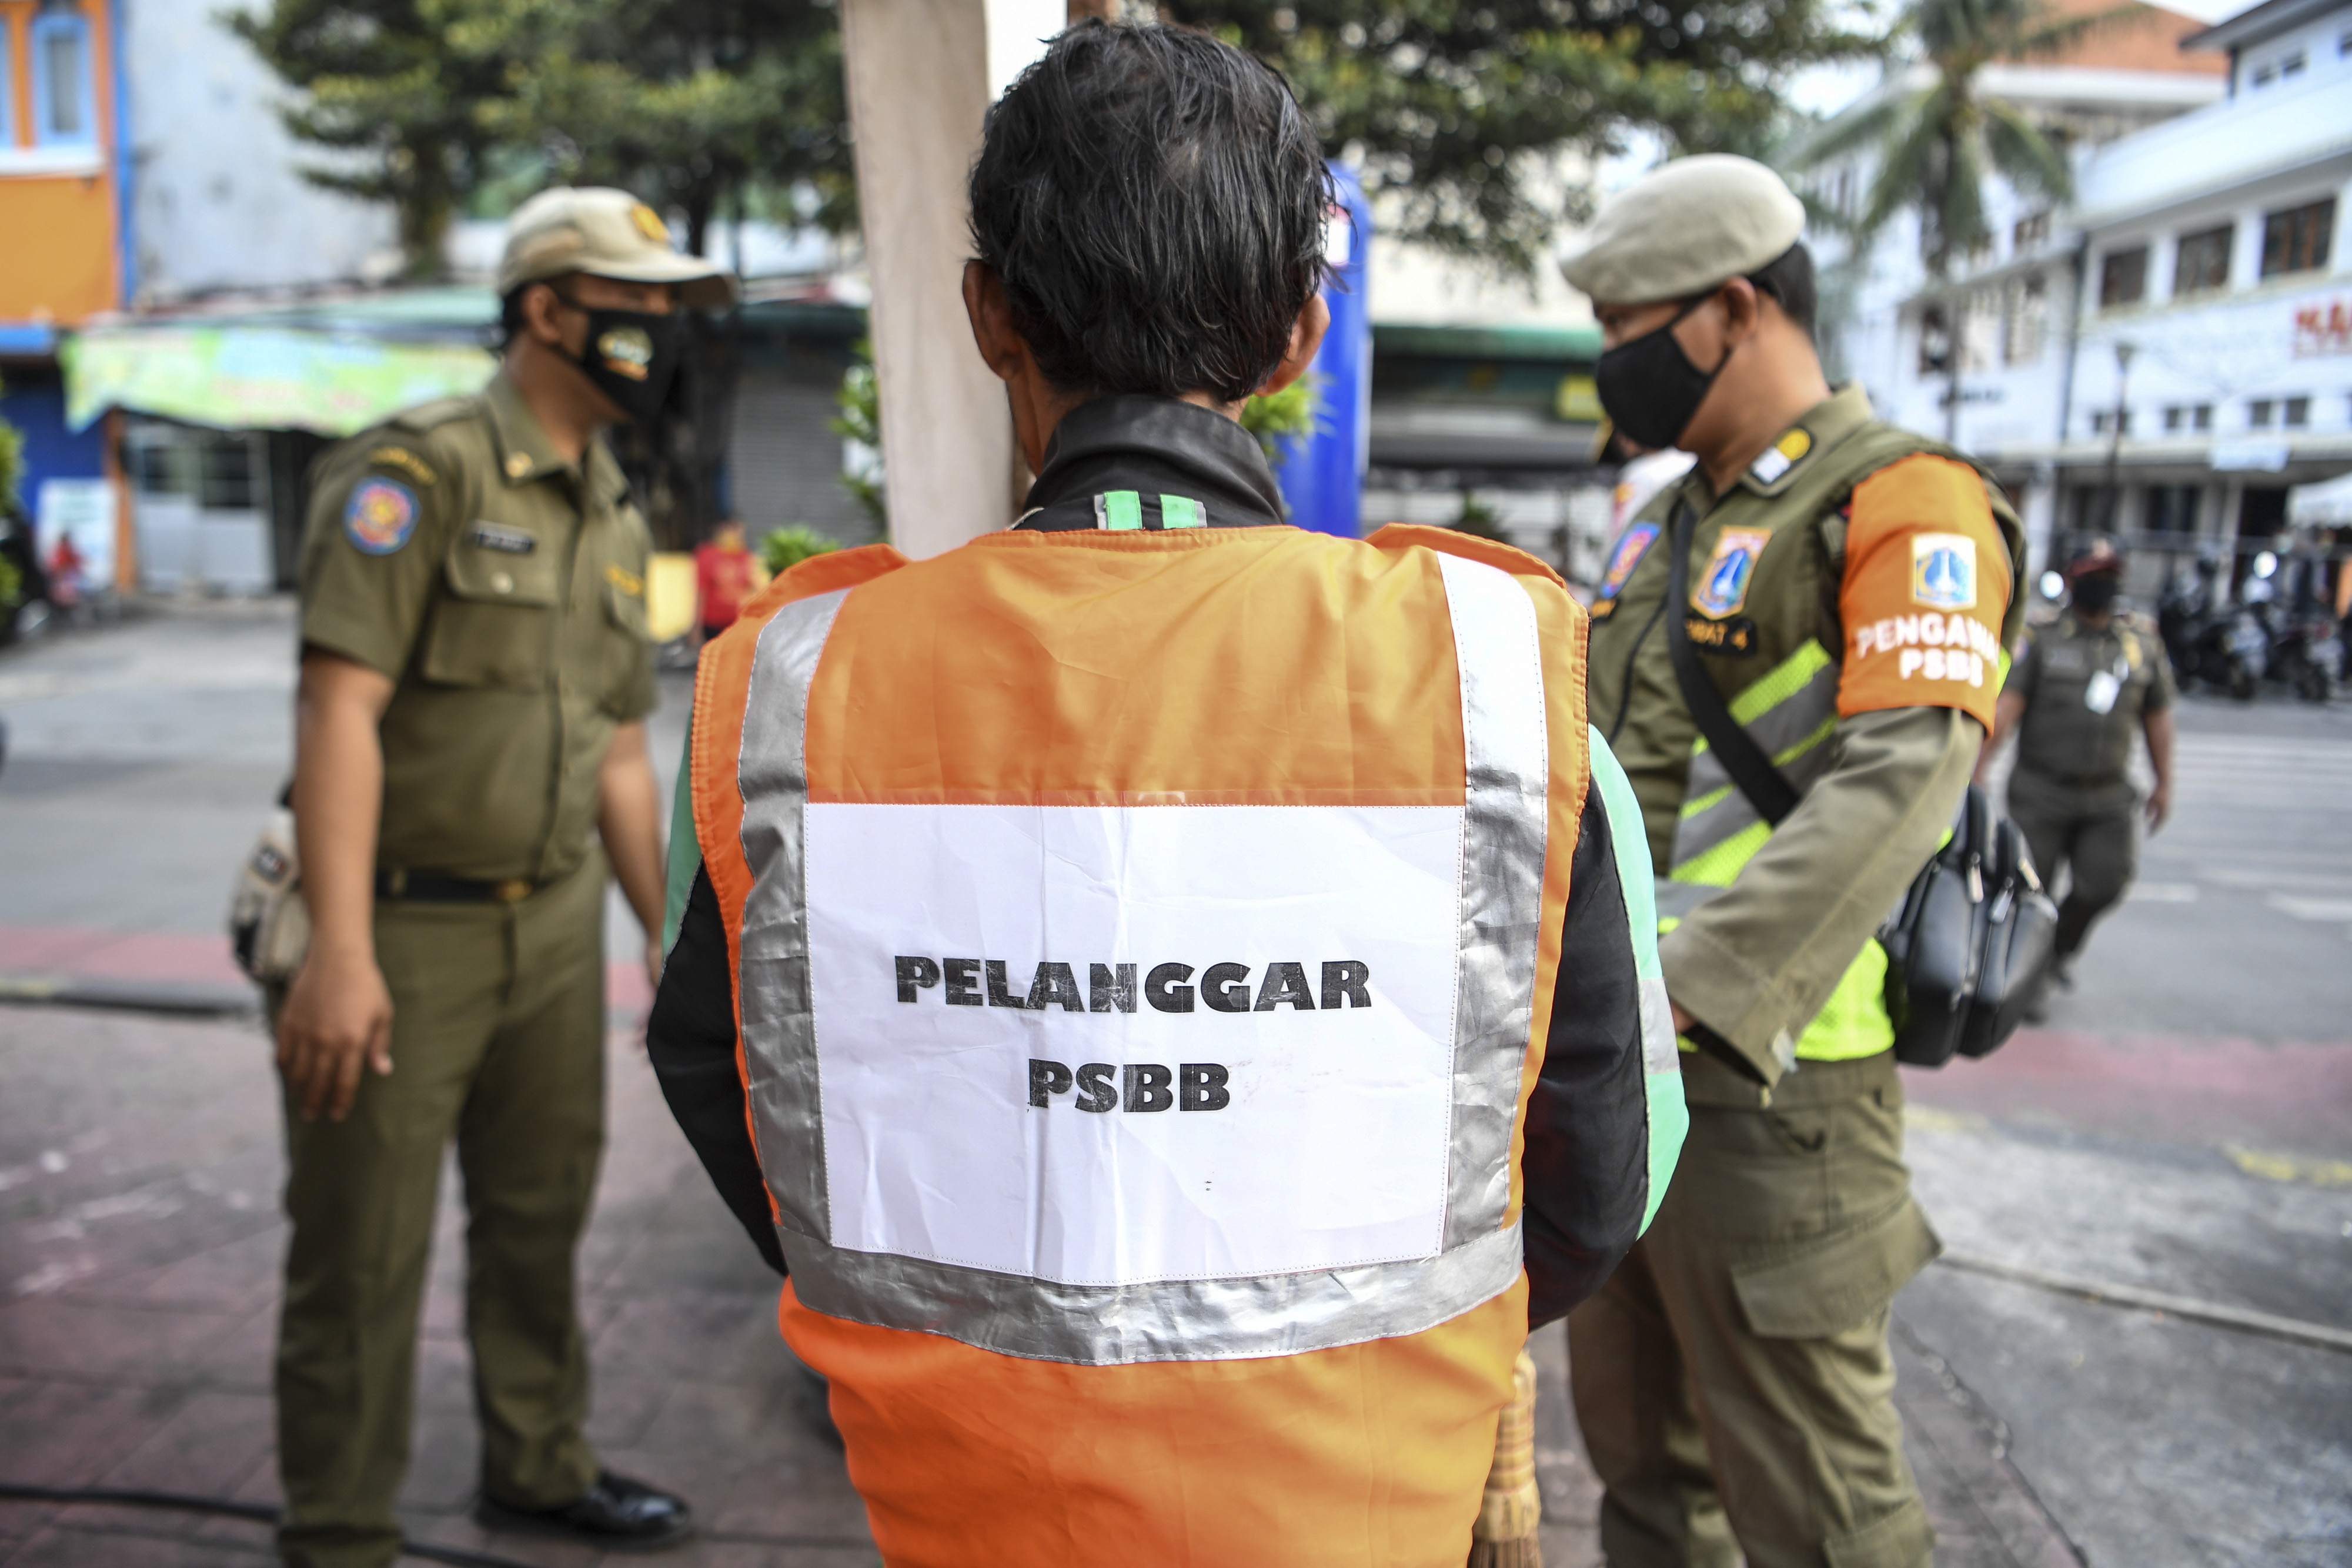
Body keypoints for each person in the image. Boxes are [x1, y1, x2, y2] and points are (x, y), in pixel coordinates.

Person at [646, 22, 1686, 1565]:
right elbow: (1604, 1170)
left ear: (989, 313)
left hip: (964, 1515)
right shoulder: (1495, 689)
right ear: (1301, 338)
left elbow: (730, 1088)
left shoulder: (792, 694)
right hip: (1376, 1507)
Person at [1559, 155, 2026, 1568]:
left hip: (1774, 1091)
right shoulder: (1665, 518)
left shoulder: (1905, 504)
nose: (1608, 369)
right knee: (1643, 1475)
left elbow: (1902, 781)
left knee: (1818, 1507)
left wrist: (1683, 991)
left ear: (1735, 310)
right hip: (1618, 1072)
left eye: (1628, 337)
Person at [272, 186, 734, 1567]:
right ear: (546, 309)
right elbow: (335, 709)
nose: (657, 331)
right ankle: (338, 1529)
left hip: (549, 937)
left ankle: (538, 1465)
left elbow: (614, 754)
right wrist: (339, 955)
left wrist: (666, 936)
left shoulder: (611, 502)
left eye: (667, 309)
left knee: (540, 1219)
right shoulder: (418, 476)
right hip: (402, 930)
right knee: (361, 1253)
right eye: (634, 304)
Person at [1976, 536, 2174, 997]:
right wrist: (1978, 768)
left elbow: (2158, 717)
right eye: (2092, 577)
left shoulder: (2140, 643)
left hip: (2108, 793)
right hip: (2042, 789)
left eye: (2110, 576)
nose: (2102, 585)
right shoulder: (2041, 638)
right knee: (2031, 889)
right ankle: (2031, 973)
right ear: (2072, 581)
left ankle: (2058, 950)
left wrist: (2165, 782)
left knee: (2106, 881)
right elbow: (2008, 706)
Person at [694, 515, 758, 638]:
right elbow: (701, 592)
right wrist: (696, 626)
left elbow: (751, 586)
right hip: (713, 622)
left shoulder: (744, 555)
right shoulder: (708, 555)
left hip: (737, 620)